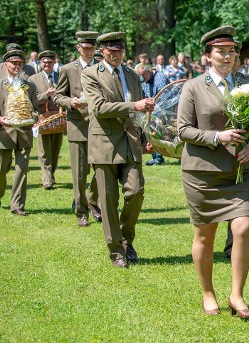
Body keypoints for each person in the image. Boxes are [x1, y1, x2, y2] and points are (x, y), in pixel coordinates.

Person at [177, 26, 249, 319]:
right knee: (205, 235)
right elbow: (183, 129)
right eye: (221, 52)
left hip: (239, 170)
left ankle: (237, 294)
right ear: (208, 56)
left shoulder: (248, 85)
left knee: (244, 226)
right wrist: (217, 137)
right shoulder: (193, 87)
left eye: (231, 51)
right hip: (203, 173)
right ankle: (208, 293)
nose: (227, 56)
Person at [82, 31, 155, 267]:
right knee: (109, 199)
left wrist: (146, 137)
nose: (116, 55)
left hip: (131, 141)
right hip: (104, 142)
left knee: (135, 191)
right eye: (112, 51)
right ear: (102, 51)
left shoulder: (132, 76)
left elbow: (140, 112)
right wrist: (134, 104)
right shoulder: (91, 74)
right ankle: (116, 251)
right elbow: (99, 107)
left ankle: (126, 239)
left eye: (120, 51)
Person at [53, 31, 102, 227]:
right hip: (78, 126)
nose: (89, 52)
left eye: (92, 48)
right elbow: (57, 96)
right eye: (86, 48)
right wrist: (69, 102)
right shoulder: (67, 69)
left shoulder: (101, 68)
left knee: (102, 170)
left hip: (100, 126)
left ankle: (92, 200)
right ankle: (81, 212)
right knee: (79, 174)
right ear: (78, 48)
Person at [0, 49, 38, 216]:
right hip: (4, 133)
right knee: (1, 169)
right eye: (13, 63)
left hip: (24, 132)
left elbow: (36, 110)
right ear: (6, 64)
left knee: (21, 170)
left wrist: (32, 117)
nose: (17, 66)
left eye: (20, 63)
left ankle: (17, 205)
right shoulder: (0, 85)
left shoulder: (29, 86)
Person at [28, 50, 63, 190]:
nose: (47, 64)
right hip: (42, 118)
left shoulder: (61, 77)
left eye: (50, 62)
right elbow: (33, 100)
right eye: (44, 62)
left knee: (55, 148)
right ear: (40, 63)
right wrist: (46, 95)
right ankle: (47, 179)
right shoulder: (33, 79)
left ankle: (51, 173)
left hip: (59, 118)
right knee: (44, 150)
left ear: (54, 63)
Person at [138, 64, 170, 165]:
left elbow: (164, 97)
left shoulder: (160, 78)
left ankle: (160, 157)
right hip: (150, 112)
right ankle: (156, 157)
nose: (142, 78)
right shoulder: (144, 80)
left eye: (143, 75)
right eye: (140, 75)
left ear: (148, 71)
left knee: (160, 135)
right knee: (151, 134)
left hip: (163, 111)